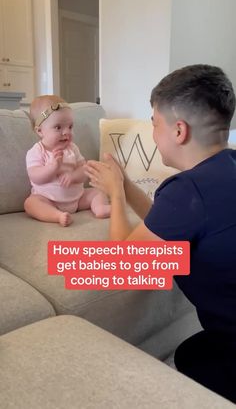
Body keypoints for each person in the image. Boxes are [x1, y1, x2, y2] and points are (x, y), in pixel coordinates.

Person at [85, 64, 236, 403]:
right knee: (194, 351)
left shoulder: (189, 190)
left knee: (190, 360)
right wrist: (123, 182)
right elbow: (172, 227)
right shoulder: (225, 170)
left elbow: (122, 268)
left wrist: (117, 195)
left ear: (178, 130)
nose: (153, 134)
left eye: (154, 124)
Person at [24, 95, 110, 226]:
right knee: (30, 204)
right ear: (40, 131)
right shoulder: (36, 151)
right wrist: (52, 167)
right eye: (58, 127)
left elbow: (84, 169)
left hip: (77, 199)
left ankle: (100, 208)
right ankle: (57, 215)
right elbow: (35, 177)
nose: (66, 132)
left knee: (97, 192)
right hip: (49, 200)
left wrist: (74, 175)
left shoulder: (72, 148)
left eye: (70, 127)